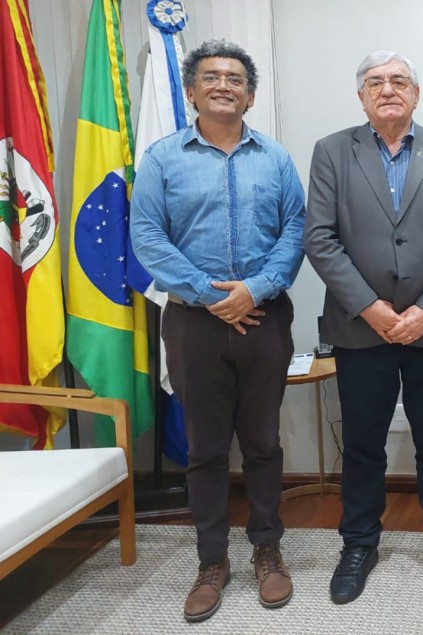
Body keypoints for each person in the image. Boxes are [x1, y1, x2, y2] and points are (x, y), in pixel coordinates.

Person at [130, 40, 305, 621]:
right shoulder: (160, 159)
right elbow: (148, 237)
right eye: (211, 76)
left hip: (264, 317)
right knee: (205, 449)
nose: (223, 85)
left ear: (250, 94)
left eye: (235, 77)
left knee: (262, 443)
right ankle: (211, 561)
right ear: (191, 90)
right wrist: (212, 297)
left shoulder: (275, 158)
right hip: (192, 325)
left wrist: (254, 290)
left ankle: (267, 550)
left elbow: (295, 230)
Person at [304, 50, 423, 604]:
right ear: (360, 97)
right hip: (362, 329)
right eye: (375, 82)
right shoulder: (332, 151)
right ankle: (358, 544)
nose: (387, 90)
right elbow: (320, 239)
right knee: (362, 443)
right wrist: (372, 309)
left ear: (416, 93)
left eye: (399, 80)